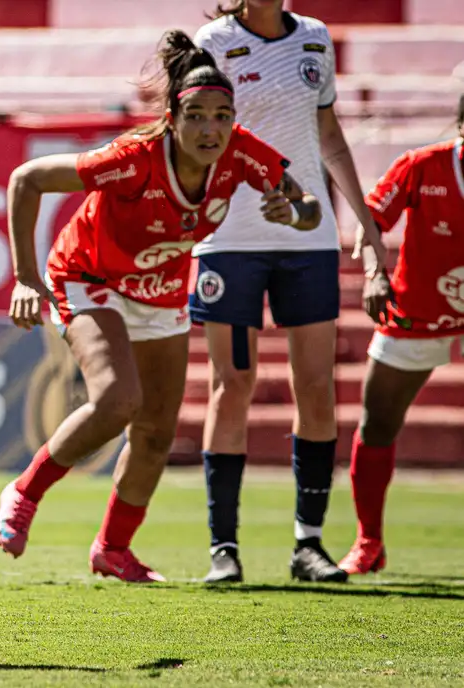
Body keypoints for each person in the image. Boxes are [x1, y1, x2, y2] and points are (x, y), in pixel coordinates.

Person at [0, 30, 321, 582]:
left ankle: (112, 549)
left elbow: (309, 206)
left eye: (222, 115)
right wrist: (25, 279)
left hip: (161, 289)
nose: (210, 128)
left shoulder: (243, 153)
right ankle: (24, 493)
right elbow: (27, 180)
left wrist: (294, 214)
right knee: (119, 400)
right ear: (172, 118)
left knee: (156, 431)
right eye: (196, 115)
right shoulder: (132, 159)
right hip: (87, 275)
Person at [189, 0, 386, 583]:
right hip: (229, 237)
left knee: (317, 385)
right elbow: (189, 129)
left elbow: (329, 135)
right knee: (232, 384)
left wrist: (367, 230)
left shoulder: (317, 38)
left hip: (309, 237)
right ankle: (223, 547)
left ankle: (309, 543)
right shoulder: (215, 40)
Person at [338, 97, 464, 575]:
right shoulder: (421, 165)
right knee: (377, 422)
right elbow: (370, 220)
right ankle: (369, 542)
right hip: (418, 309)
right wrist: (375, 273)